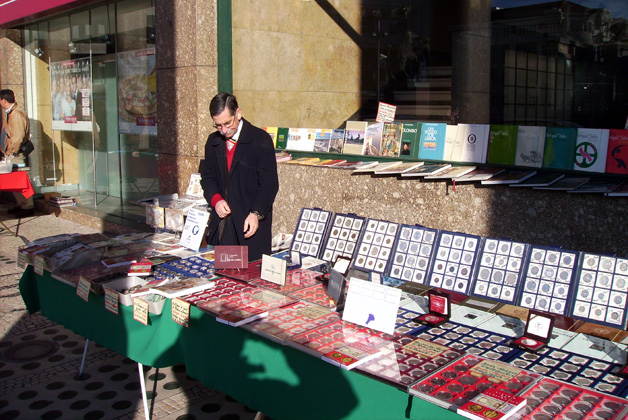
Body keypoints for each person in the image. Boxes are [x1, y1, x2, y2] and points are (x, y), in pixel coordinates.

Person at [200, 93, 279, 261]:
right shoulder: (213, 141)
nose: (224, 130)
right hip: (225, 226)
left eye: (227, 123)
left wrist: (256, 213)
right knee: (226, 274)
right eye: (218, 125)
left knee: (252, 274)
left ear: (238, 113)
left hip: (250, 224)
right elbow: (207, 176)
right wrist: (216, 199)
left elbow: (269, 184)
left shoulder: (260, 139)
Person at [0, 89, 34, 216]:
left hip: (16, 153)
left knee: (20, 180)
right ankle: (21, 204)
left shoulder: (16, 114)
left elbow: (18, 136)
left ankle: (28, 205)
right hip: (11, 152)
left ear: (4, 101)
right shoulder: (10, 112)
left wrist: (12, 151)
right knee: (14, 180)